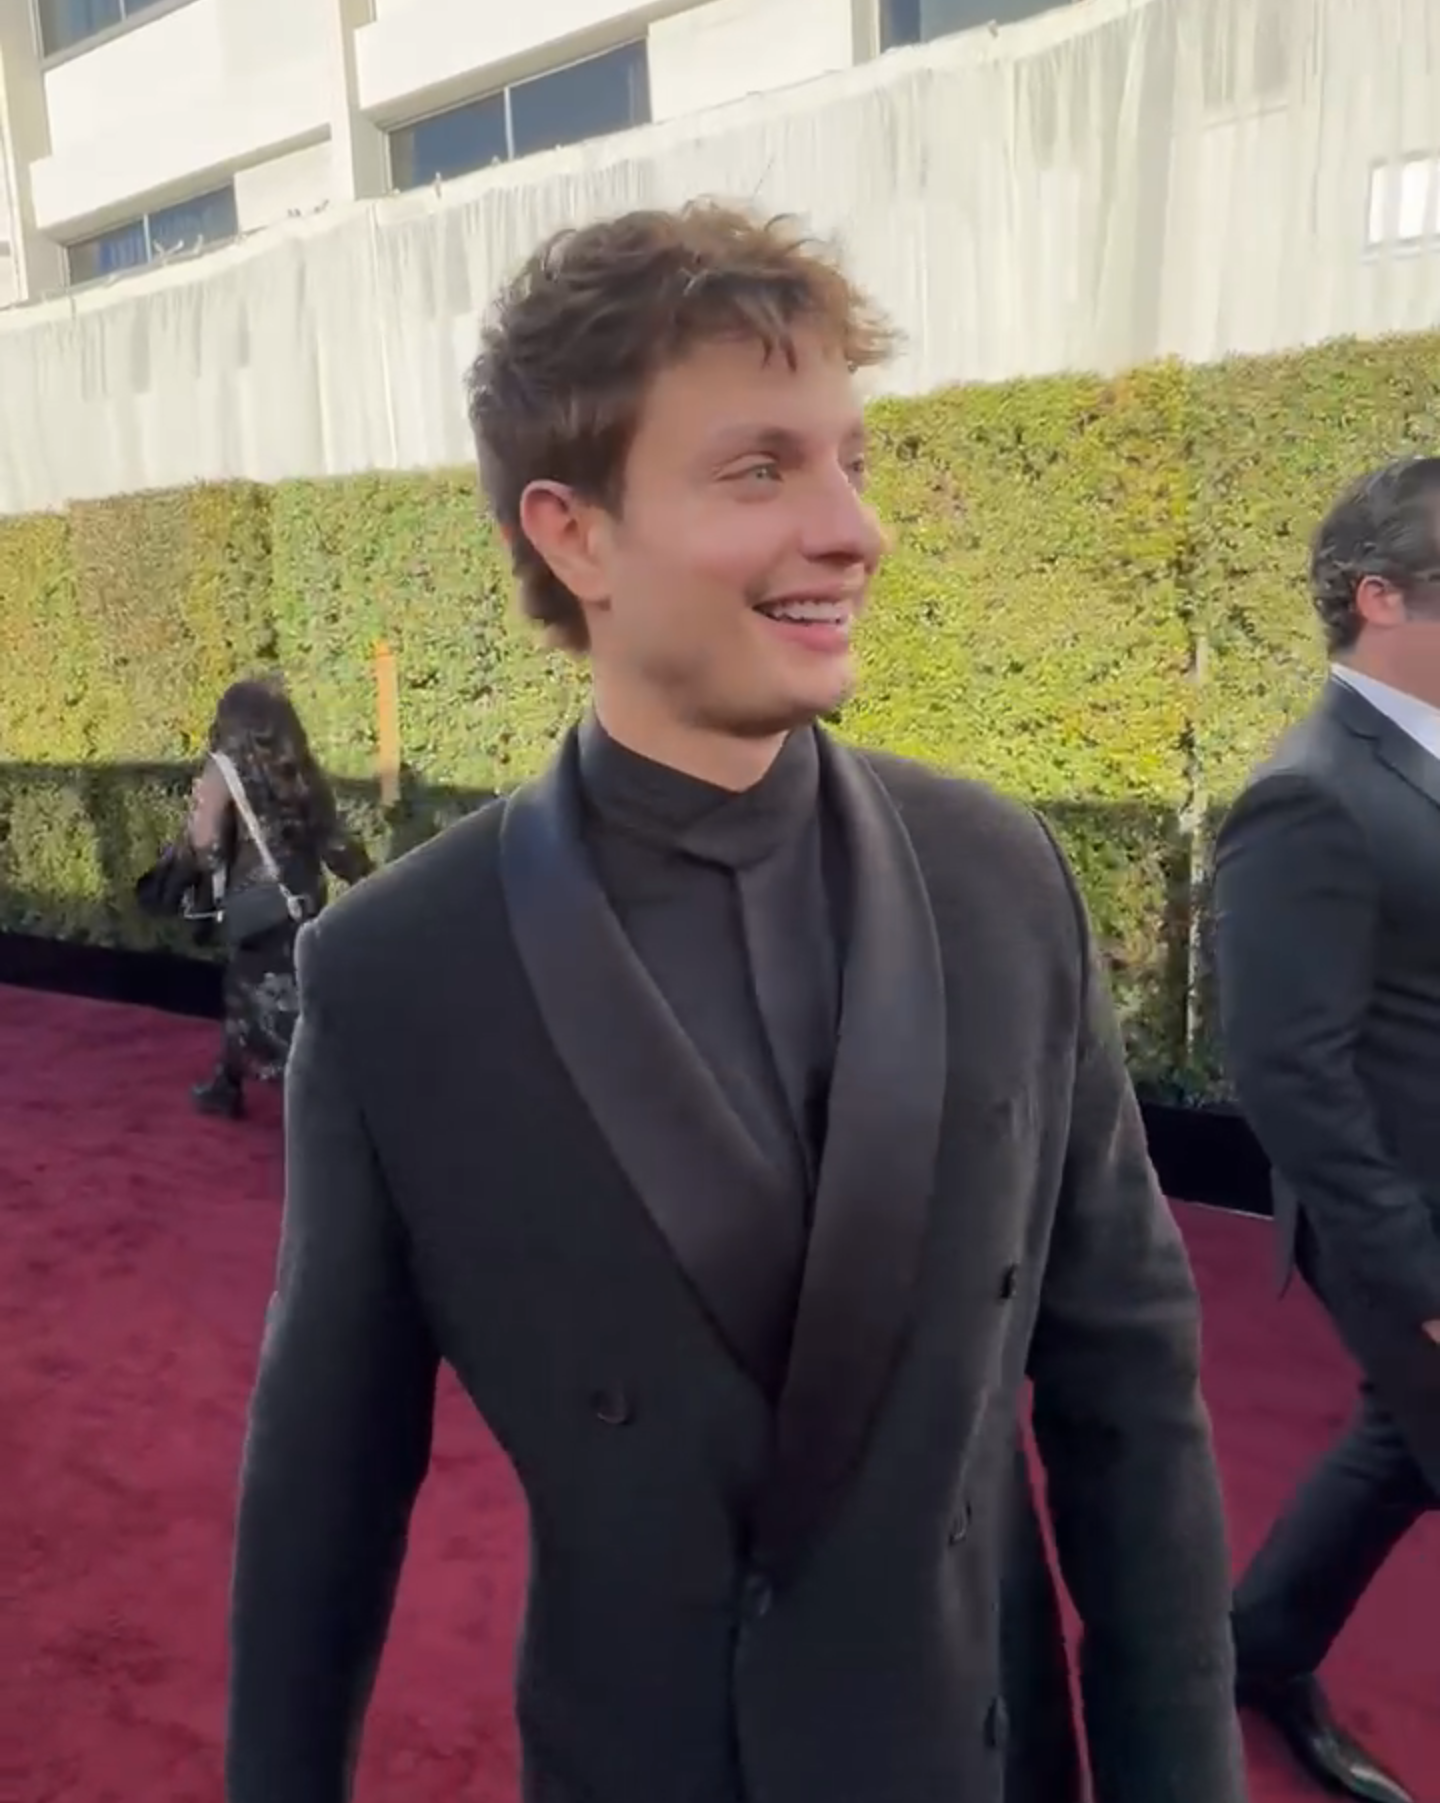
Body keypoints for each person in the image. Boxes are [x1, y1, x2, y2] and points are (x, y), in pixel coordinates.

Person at [226, 204, 1245, 1803]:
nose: (855, 528)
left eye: (852, 458)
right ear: (574, 536)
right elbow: (325, 1494)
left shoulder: (1000, 878)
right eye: (761, 469)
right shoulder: (394, 974)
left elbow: (1130, 1386)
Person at [1213, 458, 1440, 1803]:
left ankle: (1254, 1650)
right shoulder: (1308, 796)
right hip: (1404, 1225)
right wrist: (1415, 1284)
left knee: (1397, 1450)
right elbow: (1287, 1074)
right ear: (1380, 599)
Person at [186, 678, 371, 1119]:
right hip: (301, 902)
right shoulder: (300, 770)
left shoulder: (222, 774)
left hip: (253, 908)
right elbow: (337, 844)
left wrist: (202, 893)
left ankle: (331, 1112)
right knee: (255, 994)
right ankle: (225, 1083)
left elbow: (206, 846)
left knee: (272, 1011)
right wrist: (369, 882)